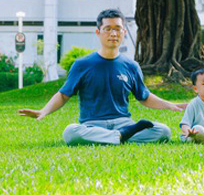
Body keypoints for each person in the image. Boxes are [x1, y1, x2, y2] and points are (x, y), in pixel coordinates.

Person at [19, 8, 187, 145]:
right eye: (108, 29)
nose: (113, 33)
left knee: (163, 131)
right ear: (98, 32)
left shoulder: (131, 66)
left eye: (117, 29)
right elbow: (63, 95)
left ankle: (117, 136)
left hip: (124, 123)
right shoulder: (82, 64)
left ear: (124, 33)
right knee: (70, 132)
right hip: (92, 124)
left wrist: (169, 105)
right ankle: (120, 137)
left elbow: (144, 97)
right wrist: (44, 111)